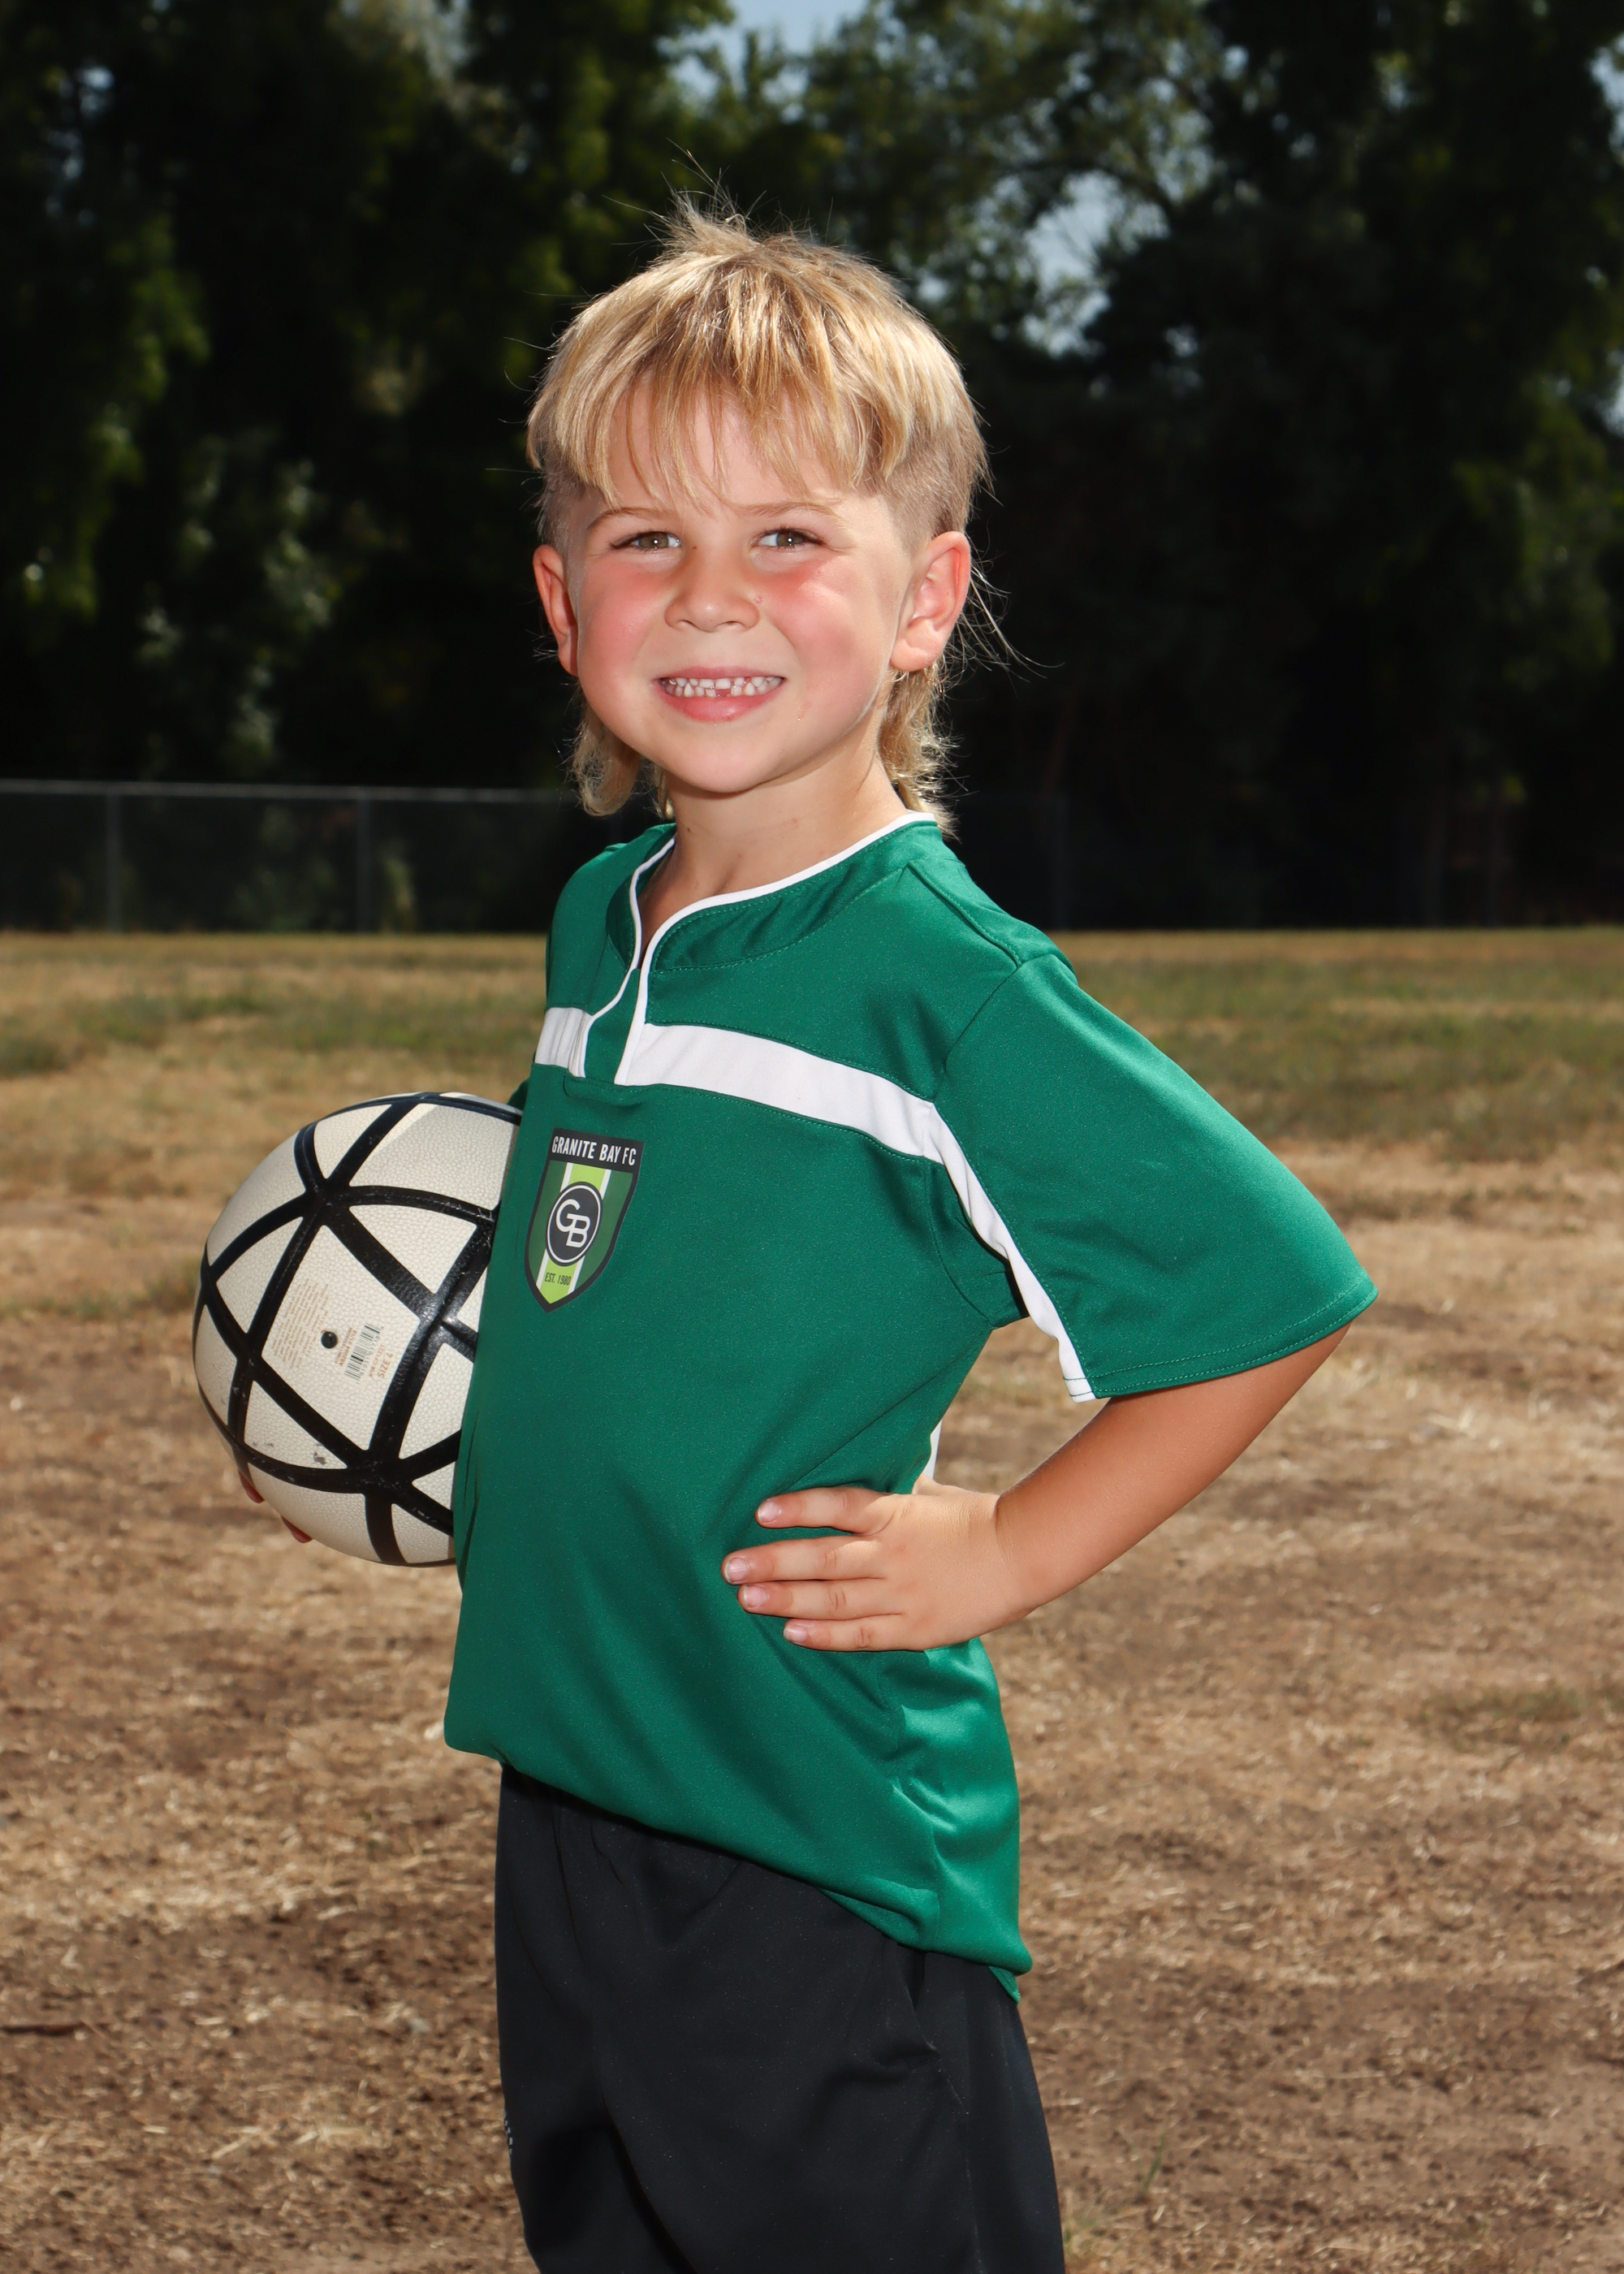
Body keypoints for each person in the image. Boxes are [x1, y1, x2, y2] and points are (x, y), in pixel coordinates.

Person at [442, 205, 1377, 2273]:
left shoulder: (941, 981)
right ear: (562, 598)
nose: (711, 595)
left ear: (924, 594)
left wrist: (1009, 1547)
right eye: (645, 539)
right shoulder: (601, 920)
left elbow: (1270, 1288)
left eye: (786, 537)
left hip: (809, 1844)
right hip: (572, 1787)